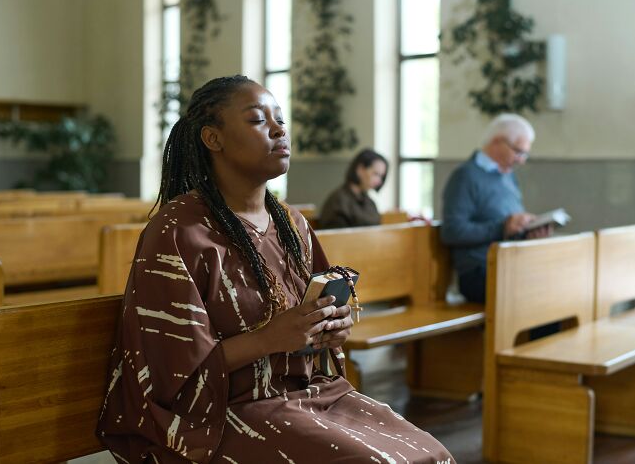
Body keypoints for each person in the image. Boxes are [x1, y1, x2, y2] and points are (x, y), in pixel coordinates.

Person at [97, 75, 454, 464]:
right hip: (224, 414)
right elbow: (167, 371)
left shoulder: (291, 223)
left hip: (309, 394)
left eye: (280, 119)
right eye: (257, 120)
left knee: (432, 454)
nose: (279, 129)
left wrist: (329, 329)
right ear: (212, 139)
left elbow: (310, 330)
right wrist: (269, 338)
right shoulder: (179, 231)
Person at [441, 113, 551, 304]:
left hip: (510, 264)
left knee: (558, 283)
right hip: (479, 271)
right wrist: (502, 227)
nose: (521, 160)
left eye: (524, 154)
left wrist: (527, 232)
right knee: (540, 295)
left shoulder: (507, 177)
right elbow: (452, 232)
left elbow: (508, 228)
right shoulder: (465, 176)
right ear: (498, 141)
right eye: (518, 152)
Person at [318, 148, 388, 229]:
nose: (379, 181)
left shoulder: (370, 202)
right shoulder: (338, 201)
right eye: (376, 174)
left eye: (381, 176)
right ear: (360, 169)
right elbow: (336, 237)